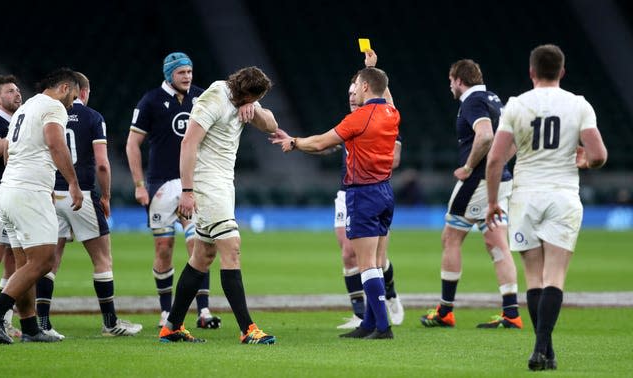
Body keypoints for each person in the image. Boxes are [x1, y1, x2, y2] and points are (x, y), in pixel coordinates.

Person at [485, 44, 607, 371]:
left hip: (526, 195)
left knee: (533, 277)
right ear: (562, 72)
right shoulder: (579, 105)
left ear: (531, 72)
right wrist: (585, 161)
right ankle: (543, 349)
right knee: (555, 275)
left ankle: (543, 349)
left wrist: (493, 201)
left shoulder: (517, 105)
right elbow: (598, 154)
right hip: (563, 195)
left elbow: (496, 158)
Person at [272, 50, 400, 339]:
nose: (355, 90)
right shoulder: (391, 112)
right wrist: (374, 70)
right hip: (384, 191)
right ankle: (369, 323)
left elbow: (320, 144)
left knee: (366, 263)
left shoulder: (359, 118)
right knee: (375, 261)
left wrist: (293, 142)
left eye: (359, 85)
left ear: (365, 87)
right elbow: (385, 94)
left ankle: (383, 327)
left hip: (362, 193)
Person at [158, 66, 277, 344]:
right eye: (250, 99)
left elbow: (272, 125)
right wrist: (187, 191)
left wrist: (254, 109)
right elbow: (188, 143)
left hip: (224, 183)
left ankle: (171, 326)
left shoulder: (243, 96)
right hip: (208, 183)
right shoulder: (216, 96)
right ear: (242, 90)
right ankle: (248, 329)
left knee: (203, 256)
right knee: (232, 248)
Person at [34, 72, 142, 339]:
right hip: (80, 193)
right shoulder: (93, 118)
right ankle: (110, 323)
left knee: (50, 262)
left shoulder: (48, 117)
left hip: (51, 195)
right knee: (102, 260)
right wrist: (105, 196)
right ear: (83, 92)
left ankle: (43, 324)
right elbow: (103, 164)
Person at [420, 59, 522, 330]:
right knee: (497, 242)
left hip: (477, 181)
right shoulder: (495, 99)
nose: (450, 86)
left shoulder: (472, 101)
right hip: (501, 180)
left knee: (450, 237)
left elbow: (486, 135)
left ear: (459, 80)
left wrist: (468, 166)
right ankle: (511, 313)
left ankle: (445, 311)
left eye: (451, 80)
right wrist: (499, 166)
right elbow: (514, 141)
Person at [126, 52, 220, 329]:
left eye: (190, 71)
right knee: (164, 248)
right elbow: (133, 144)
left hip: (194, 183)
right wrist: (139, 185)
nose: (188, 77)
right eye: (182, 72)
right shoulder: (151, 101)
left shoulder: (202, 98)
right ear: (169, 74)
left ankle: (203, 311)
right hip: (160, 185)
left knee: (198, 244)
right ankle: (166, 312)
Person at [0, 68, 83, 344]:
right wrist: (73, 183)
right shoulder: (54, 106)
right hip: (29, 193)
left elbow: (8, 149)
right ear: (65, 88)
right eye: (74, 96)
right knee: (44, 260)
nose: (73, 103)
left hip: (8, 190)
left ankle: (30, 327)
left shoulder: (27, 106)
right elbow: (57, 144)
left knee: (24, 263)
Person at [0, 75, 22, 338]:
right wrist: (16, 137)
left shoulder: (14, 121)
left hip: (9, 194)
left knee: (12, 260)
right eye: (10, 91)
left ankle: (4, 318)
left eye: (17, 89)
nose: (17, 93)